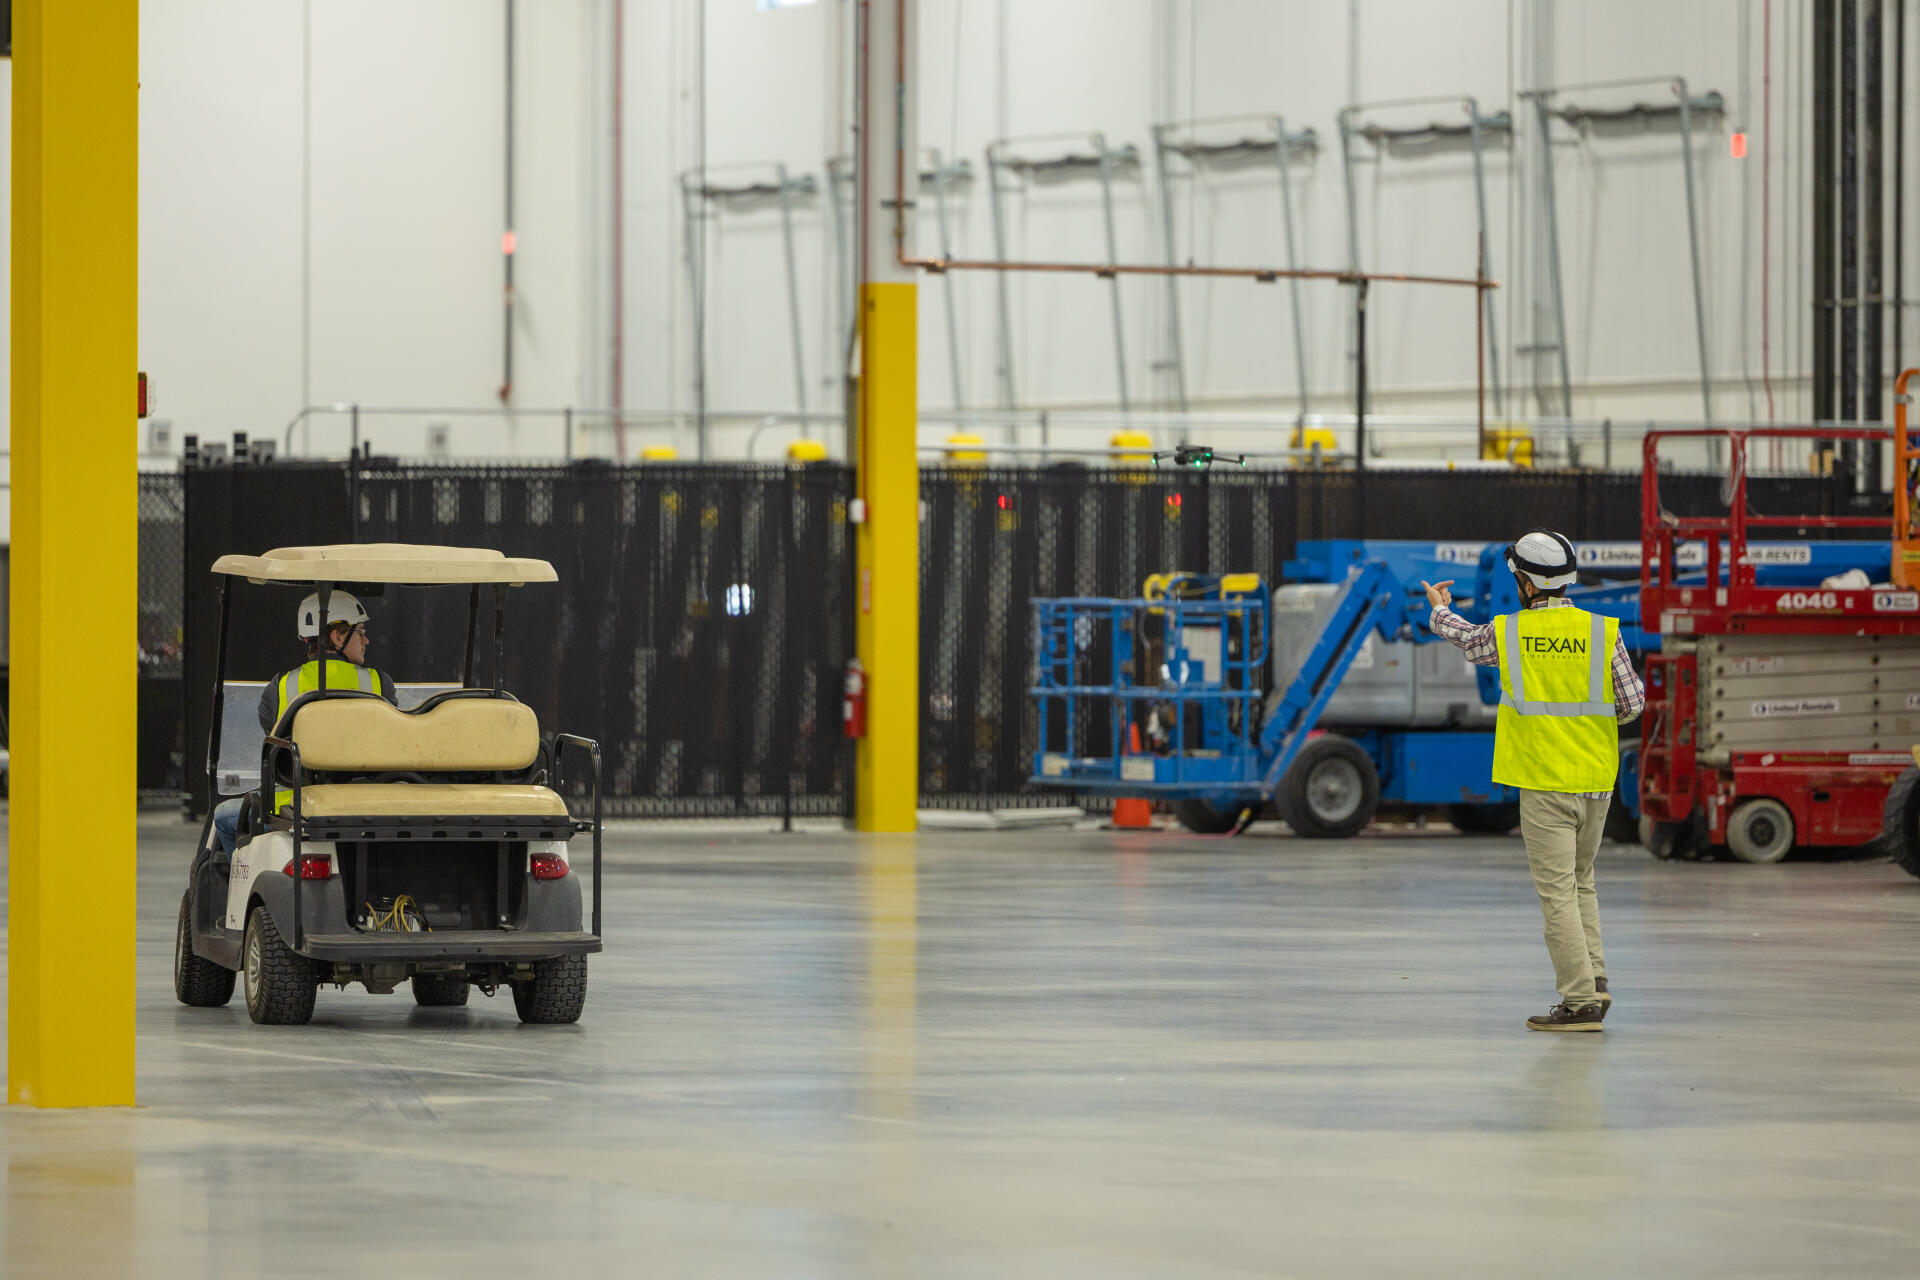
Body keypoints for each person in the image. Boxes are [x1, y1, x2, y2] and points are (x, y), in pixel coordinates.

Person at [1422, 530, 1644, 1033]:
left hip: (1545, 782)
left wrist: (1439, 610)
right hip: (1595, 779)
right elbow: (1632, 704)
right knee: (1581, 882)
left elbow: (1467, 638)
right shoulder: (1601, 632)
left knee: (1558, 893)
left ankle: (1580, 1003)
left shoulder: (1511, 633)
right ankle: (1596, 981)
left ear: (1525, 583)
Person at [210, 591, 398, 855]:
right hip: (364, 806)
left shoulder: (281, 687)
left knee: (223, 816)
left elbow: (274, 737)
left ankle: (238, 881)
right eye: (361, 632)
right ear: (338, 636)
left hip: (295, 808)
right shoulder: (380, 684)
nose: (366, 640)